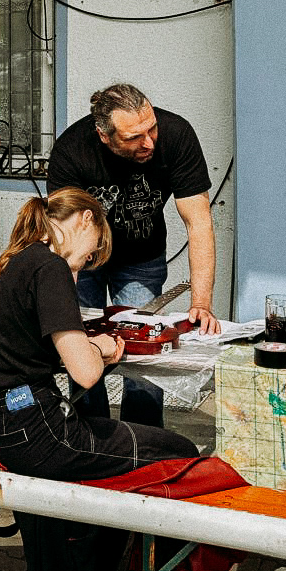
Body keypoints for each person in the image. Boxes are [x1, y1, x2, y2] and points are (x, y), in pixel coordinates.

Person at [0, 186, 197, 571]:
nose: (87, 264)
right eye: (92, 254)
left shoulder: (14, 262)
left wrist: (86, 343)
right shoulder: (49, 266)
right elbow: (87, 374)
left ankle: (101, 567)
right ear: (86, 221)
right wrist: (104, 348)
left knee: (114, 455)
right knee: (180, 451)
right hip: (37, 431)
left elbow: (30, 347)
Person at [47, 84, 218, 423]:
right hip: (84, 261)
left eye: (151, 128)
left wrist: (201, 303)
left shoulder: (177, 135)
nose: (149, 142)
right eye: (134, 137)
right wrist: (63, 298)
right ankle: (91, 433)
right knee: (82, 343)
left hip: (142, 259)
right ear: (104, 136)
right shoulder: (72, 150)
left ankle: (143, 437)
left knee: (146, 352)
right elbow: (64, 236)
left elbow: (198, 223)